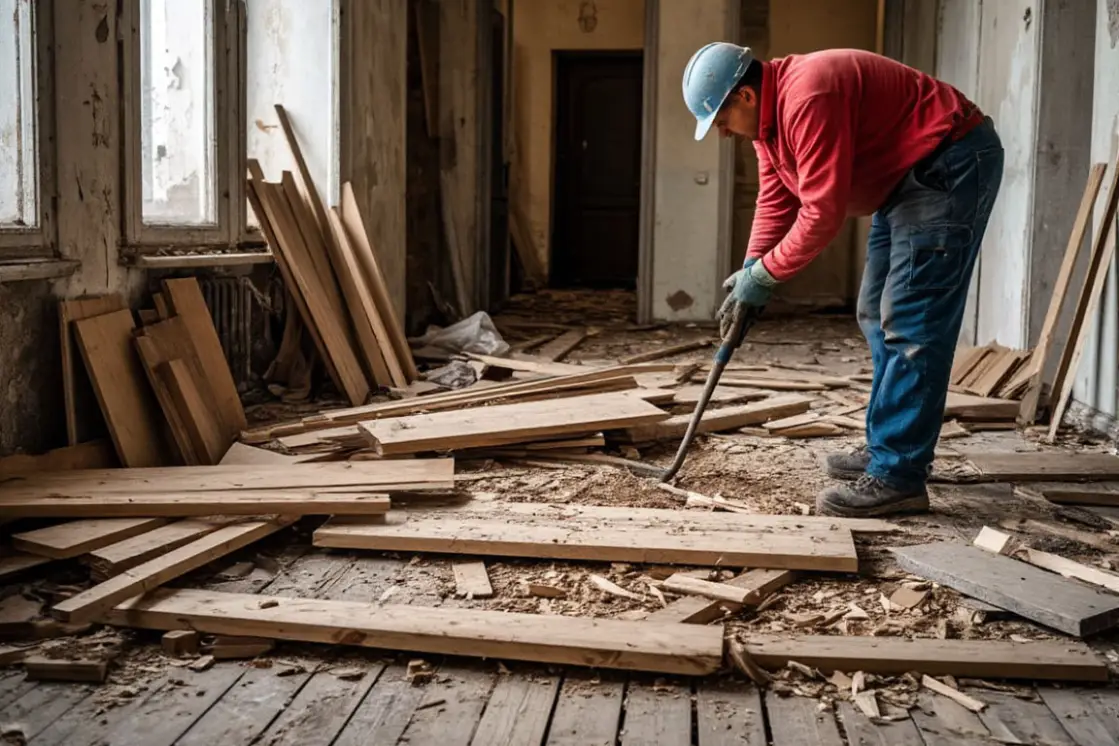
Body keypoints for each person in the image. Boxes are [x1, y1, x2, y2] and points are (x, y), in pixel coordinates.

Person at [682, 43, 1004, 518]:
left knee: (912, 323)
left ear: (745, 97)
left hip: (948, 164)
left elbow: (821, 213)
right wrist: (752, 269)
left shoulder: (807, 95)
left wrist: (769, 275)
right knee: (875, 310)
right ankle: (888, 449)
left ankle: (899, 475)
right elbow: (776, 199)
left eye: (721, 120)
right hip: (904, 181)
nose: (722, 133)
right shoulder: (768, 124)